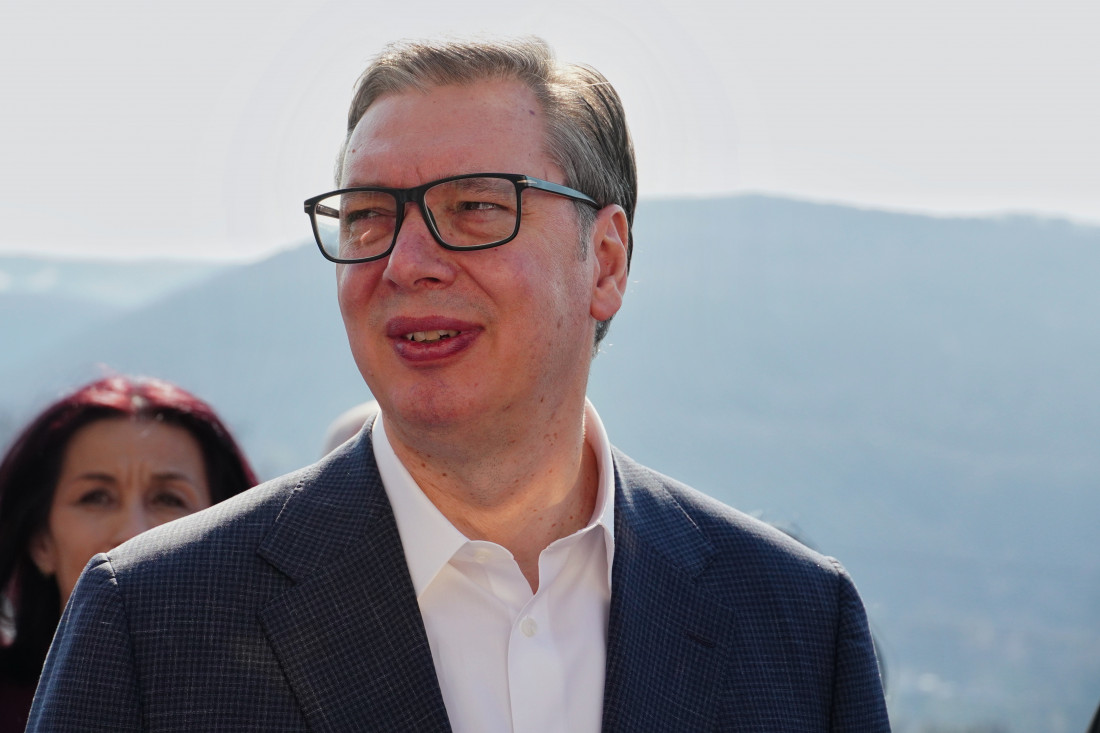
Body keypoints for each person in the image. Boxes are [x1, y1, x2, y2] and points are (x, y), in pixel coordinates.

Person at [28, 37, 890, 731]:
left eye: (474, 207)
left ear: (606, 261)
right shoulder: (151, 619)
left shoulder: (797, 621)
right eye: (369, 216)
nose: (407, 262)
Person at [0, 375, 257, 729]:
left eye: (168, 499)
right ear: (41, 542)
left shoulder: (279, 706)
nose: (134, 534)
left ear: (228, 534)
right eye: (96, 498)